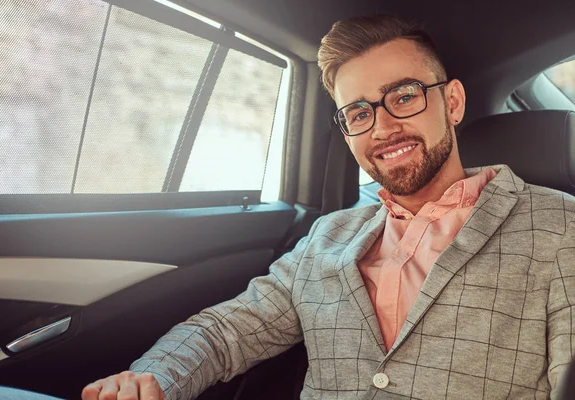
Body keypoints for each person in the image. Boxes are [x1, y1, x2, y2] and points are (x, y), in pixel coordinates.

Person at [59, 14, 575, 400]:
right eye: (358, 112)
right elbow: (225, 331)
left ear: (453, 102)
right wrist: (153, 379)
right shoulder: (327, 237)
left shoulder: (559, 228)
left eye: (403, 96)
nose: (382, 127)